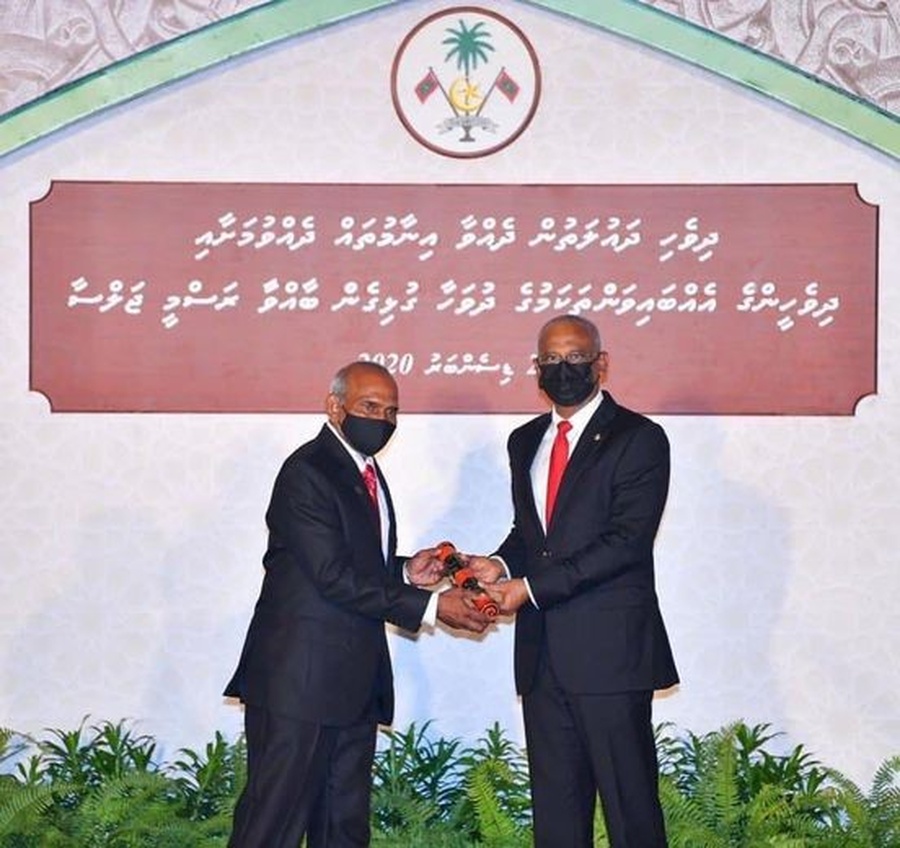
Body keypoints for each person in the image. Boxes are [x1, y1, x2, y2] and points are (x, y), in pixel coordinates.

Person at [224, 360, 491, 848]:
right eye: (370, 407)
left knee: (343, 829)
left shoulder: (366, 472)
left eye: (392, 412)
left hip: (351, 686)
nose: (382, 420)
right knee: (272, 828)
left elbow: (356, 566)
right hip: (298, 687)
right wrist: (431, 608)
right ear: (334, 406)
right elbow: (331, 576)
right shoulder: (307, 472)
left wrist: (410, 571)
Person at [471, 314, 679, 847]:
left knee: (631, 813)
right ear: (536, 369)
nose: (563, 370)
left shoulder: (639, 438)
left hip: (611, 657)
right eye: (551, 361)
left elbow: (625, 543)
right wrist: (499, 564)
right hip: (543, 659)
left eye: (576, 359)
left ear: (601, 364)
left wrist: (529, 590)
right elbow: (534, 534)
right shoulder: (525, 441)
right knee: (557, 819)